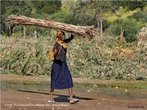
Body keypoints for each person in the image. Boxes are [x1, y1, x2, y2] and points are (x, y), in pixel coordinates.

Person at [50, 31, 79, 104]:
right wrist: (57, 51)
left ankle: (71, 98)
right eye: (61, 35)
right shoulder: (57, 44)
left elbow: (69, 39)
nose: (63, 36)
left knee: (68, 79)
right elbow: (54, 55)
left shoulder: (63, 42)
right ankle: (51, 98)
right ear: (58, 36)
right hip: (57, 65)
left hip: (63, 64)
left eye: (63, 35)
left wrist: (73, 35)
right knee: (54, 80)